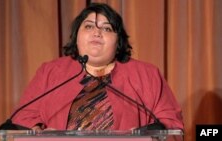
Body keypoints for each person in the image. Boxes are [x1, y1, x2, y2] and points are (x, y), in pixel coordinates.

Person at [12, 3, 184, 131]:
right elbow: (24, 117)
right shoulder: (50, 72)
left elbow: (171, 122)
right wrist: (36, 131)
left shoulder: (147, 75)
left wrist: (151, 134)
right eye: (88, 26)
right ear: (76, 36)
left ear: (118, 42)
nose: (97, 33)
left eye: (107, 29)